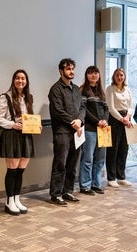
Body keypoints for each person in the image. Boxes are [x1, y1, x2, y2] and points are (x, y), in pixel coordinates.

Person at [0, 69, 36, 215]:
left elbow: (29, 117)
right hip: (11, 135)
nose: (20, 81)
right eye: (18, 78)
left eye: (23, 78)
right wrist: (12, 124)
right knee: (12, 171)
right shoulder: (5, 97)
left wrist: (36, 125)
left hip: (26, 135)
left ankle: (17, 199)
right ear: (13, 80)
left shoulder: (28, 97)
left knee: (21, 170)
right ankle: (9, 201)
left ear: (26, 81)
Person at [48, 58, 86, 206]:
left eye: (72, 69)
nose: (71, 71)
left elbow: (82, 107)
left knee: (72, 163)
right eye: (68, 69)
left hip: (76, 132)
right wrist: (74, 122)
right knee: (60, 164)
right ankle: (56, 194)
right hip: (62, 132)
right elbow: (58, 111)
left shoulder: (76, 89)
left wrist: (80, 121)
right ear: (61, 71)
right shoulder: (55, 89)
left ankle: (68, 191)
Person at [79, 66, 109, 195]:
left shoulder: (101, 91)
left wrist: (105, 121)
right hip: (89, 129)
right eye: (90, 73)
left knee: (100, 159)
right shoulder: (83, 91)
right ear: (86, 75)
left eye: (96, 73)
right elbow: (84, 111)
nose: (93, 75)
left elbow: (106, 109)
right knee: (88, 158)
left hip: (103, 129)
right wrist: (97, 121)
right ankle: (85, 185)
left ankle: (96, 184)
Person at [105, 68, 134, 187]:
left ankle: (121, 176)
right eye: (117, 75)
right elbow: (111, 108)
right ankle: (111, 177)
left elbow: (131, 106)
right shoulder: (110, 89)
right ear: (114, 76)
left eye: (122, 75)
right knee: (113, 149)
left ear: (124, 76)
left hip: (126, 119)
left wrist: (127, 117)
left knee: (124, 149)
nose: (120, 77)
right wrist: (122, 119)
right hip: (115, 120)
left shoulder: (128, 89)